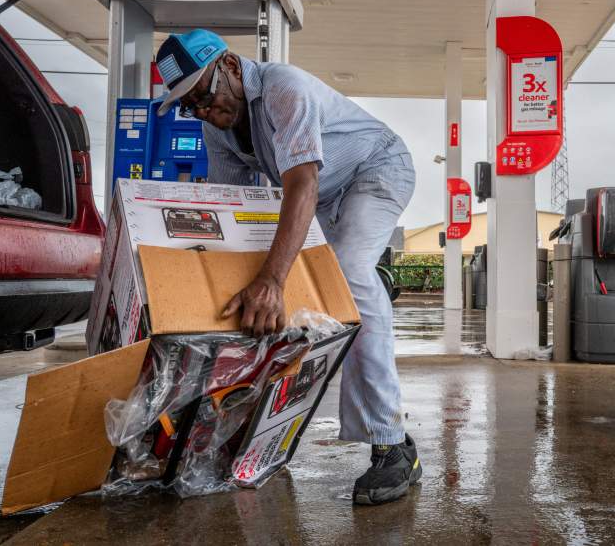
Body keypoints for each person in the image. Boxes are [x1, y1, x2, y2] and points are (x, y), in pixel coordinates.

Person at [154, 29, 420, 505]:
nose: (201, 111)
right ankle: (250, 433)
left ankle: (394, 446)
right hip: (322, 192)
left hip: (375, 170)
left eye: (203, 96)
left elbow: (302, 183)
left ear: (231, 67)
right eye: (188, 106)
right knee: (285, 289)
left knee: (348, 277)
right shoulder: (214, 128)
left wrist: (272, 280)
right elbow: (232, 210)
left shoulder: (283, 88)